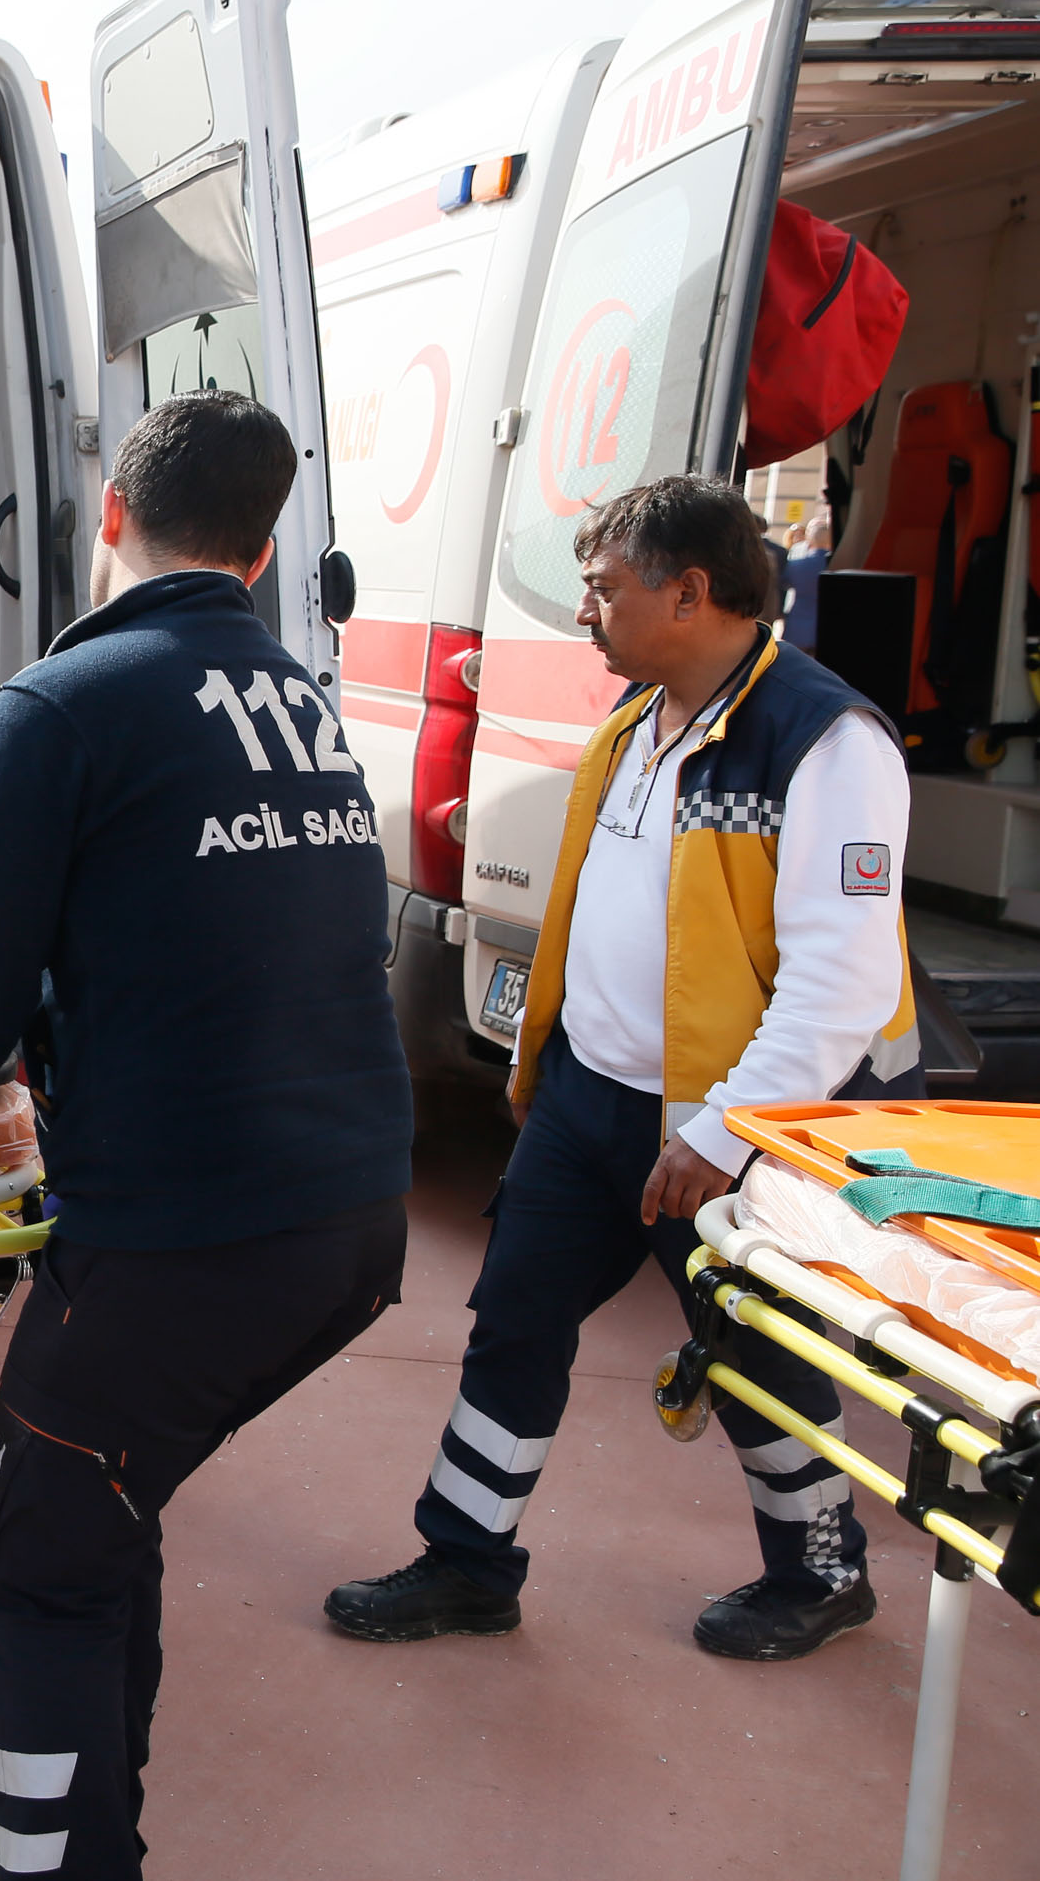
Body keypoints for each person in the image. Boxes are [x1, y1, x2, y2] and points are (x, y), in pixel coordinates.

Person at [0, 390, 415, 1881]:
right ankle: (63, 1817)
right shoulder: (299, 703)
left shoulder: (60, 706)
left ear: (108, 515)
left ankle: (58, 1855)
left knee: (41, 1552)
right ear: (260, 555)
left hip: (188, 1235)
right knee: (103, 1504)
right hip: (350, 1213)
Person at [326, 474, 919, 1663]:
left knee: (750, 1350)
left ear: (689, 592)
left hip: (728, 1126)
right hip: (591, 1099)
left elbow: (841, 986)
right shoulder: (638, 721)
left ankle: (823, 1572)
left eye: (602, 590)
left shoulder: (827, 745)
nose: (584, 613)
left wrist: (724, 1133)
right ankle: (468, 1562)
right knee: (516, 1317)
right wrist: (543, 1065)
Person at [781, 510, 832, 656]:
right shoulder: (839, 565)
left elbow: (783, 584)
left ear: (809, 540)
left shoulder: (796, 565)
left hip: (797, 625)